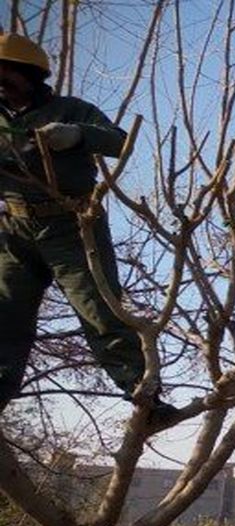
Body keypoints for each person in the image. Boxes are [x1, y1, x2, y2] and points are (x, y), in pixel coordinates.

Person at [0, 33, 177, 425]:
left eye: (5, 74)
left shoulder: (72, 109)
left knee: (100, 311)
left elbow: (118, 141)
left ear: (28, 74)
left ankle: (143, 397)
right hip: (14, 228)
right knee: (4, 314)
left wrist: (77, 135)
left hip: (73, 225)